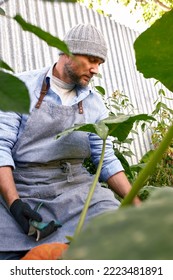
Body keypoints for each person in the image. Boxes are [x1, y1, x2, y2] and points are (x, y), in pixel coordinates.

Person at [0, 23, 141, 260]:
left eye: (100, 63)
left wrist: (137, 204)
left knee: (118, 232)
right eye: (91, 60)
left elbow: (105, 160)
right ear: (67, 51)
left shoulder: (95, 103)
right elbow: (0, 146)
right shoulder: (21, 86)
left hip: (76, 190)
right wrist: (14, 203)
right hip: (23, 187)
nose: (96, 69)